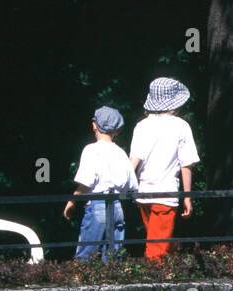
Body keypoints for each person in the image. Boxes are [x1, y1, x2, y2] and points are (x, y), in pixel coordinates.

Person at [129, 78, 199, 260]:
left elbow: (133, 162)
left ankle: (165, 275)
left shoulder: (141, 126)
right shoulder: (181, 126)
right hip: (166, 195)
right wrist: (188, 197)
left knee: (158, 243)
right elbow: (186, 164)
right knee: (157, 251)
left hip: (143, 193)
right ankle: (155, 284)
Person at [64, 107, 135, 260]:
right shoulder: (121, 153)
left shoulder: (91, 150)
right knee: (113, 258)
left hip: (97, 204)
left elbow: (86, 183)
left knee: (86, 255)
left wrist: (72, 201)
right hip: (117, 206)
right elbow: (131, 185)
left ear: (94, 125)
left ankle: (77, 283)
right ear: (117, 131)